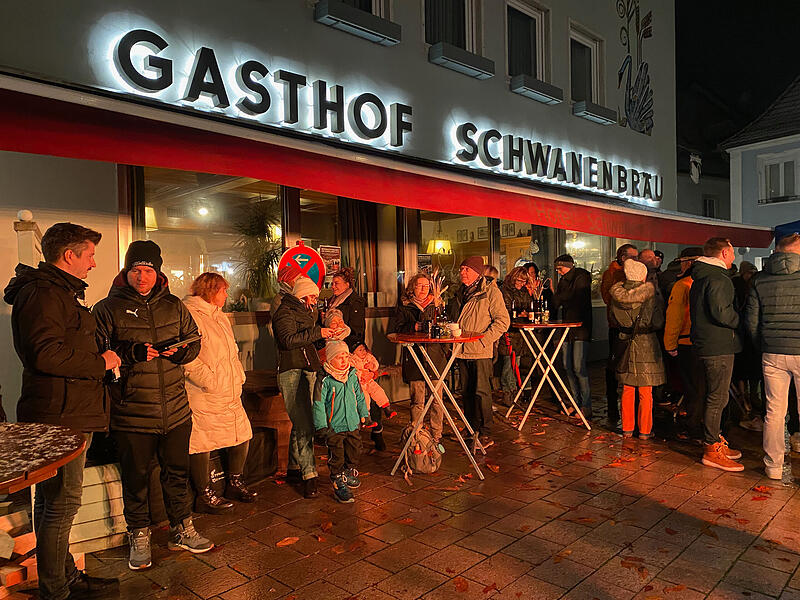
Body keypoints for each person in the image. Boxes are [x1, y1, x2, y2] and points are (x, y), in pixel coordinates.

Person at [3, 223, 120, 600]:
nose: (93, 262)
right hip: (61, 414)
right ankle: (57, 590)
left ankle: (63, 576)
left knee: (53, 499)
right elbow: (45, 353)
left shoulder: (57, 292)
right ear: (68, 255)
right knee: (62, 501)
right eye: (88, 254)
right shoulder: (44, 294)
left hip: (67, 408)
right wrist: (100, 361)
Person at [93, 240, 212, 571]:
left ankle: (182, 528)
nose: (141, 277)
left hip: (175, 409)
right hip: (132, 412)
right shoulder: (106, 308)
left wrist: (182, 351)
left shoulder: (174, 305)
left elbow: (194, 340)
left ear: (158, 273)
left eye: (147, 270)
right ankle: (140, 534)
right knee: (136, 478)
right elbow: (97, 356)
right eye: (135, 270)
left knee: (177, 473)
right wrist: (131, 353)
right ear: (126, 272)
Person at [182, 273, 256, 515]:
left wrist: (238, 376)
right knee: (202, 441)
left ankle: (234, 482)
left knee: (242, 432)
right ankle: (204, 493)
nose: (227, 295)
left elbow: (230, 352)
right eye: (223, 291)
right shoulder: (190, 314)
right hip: (205, 392)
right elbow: (187, 358)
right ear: (210, 291)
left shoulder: (220, 316)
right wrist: (211, 381)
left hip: (229, 389)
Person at [272, 277, 337, 498]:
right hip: (292, 371)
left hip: (309, 367)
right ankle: (309, 475)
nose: (315, 301)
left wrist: (327, 333)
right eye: (313, 296)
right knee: (304, 423)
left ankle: (293, 466)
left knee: (303, 419)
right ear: (302, 295)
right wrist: (319, 333)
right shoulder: (284, 312)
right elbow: (288, 341)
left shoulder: (305, 311)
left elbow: (307, 339)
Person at [744, 233, 800, 479]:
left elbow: (751, 320)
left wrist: (763, 344)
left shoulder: (760, 280)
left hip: (772, 351)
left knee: (774, 411)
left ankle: (773, 466)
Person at [689, 237, 743, 472]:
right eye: (732, 253)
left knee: (714, 395)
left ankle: (714, 440)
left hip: (705, 343)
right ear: (723, 253)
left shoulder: (701, 277)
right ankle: (712, 448)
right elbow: (722, 313)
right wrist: (739, 321)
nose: (734, 257)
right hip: (718, 345)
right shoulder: (718, 278)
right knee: (717, 397)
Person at [448, 256, 510, 449]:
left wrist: (485, 339)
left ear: (477, 272)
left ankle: (485, 432)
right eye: (461, 269)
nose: (462, 272)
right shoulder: (459, 292)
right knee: (466, 391)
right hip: (461, 348)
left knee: (481, 392)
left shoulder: (490, 292)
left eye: (466, 269)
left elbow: (503, 321)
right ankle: (469, 427)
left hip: (480, 350)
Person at [387, 273, 447, 445]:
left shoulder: (437, 305)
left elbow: (445, 327)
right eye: (420, 285)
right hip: (415, 358)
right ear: (412, 287)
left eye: (427, 285)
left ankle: (437, 435)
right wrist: (412, 326)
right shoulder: (405, 307)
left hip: (436, 357)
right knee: (417, 398)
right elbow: (397, 329)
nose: (423, 289)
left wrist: (445, 349)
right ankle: (417, 432)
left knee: (436, 399)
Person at [609, 259, 665, 439]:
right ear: (642, 275)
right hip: (646, 342)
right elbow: (658, 321)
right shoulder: (650, 294)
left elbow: (612, 317)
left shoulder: (616, 294)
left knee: (627, 388)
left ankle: (627, 428)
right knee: (645, 390)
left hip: (624, 341)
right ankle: (645, 431)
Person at [314, 340, 370, 503]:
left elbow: (359, 396)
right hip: (334, 426)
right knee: (336, 454)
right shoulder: (325, 380)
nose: (344, 361)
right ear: (329, 360)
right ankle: (338, 480)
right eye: (340, 358)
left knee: (354, 449)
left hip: (352, 423)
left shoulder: (352, 374)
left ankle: (348, 470)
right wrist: (321, 425)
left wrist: (364, 414)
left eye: (346, 356)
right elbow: (318, 403)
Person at [663, 247, 705, 439]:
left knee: (691, 387)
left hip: (686, 342)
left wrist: (669, 344)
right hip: (706, 343)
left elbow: (675, 317)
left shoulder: (682, 285)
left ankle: (693, 425)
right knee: (703, 386)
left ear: (688, 263)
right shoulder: (709, 281)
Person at [550, 254, 593, 418]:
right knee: (568, 366)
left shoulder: (581, 278)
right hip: (567, 328)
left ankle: (585, 405)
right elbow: (557, 301)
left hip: (580, 328)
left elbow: (572, 299)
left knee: (578, 367)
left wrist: (559, 295)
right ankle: (575, 402)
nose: (559, 272)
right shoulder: (565, 281)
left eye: (560, 269)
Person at [601, 244, 639, 423]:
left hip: (625, 327)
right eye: (634, 257)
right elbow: (609, 297)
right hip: (618, 327)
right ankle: (613, 405)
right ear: (623, 258)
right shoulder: (613, 274)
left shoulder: (618, 273)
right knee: (615, 364)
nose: (637, 261)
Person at [733, 261, 764, 431]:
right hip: (747, 339)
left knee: (746, 372)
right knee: (747, 372)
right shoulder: (743, 287)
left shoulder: (742, 287)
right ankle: (748, 402)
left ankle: (748, 401)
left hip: (744, 338)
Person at [351, 341, 396, 449]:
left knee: (378, 392)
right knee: (363, 399)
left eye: (363, 349)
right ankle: (355, 436)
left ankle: (384, 413)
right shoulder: (350, 357)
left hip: (368, 380)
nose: (363, 351)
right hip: (356, 382)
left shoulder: (367, 355)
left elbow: (375, 364)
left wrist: (372, 372)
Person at [499, 267, 532, 406]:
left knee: (518, 363)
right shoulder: (505, 291)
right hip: (510, 331)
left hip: (521, 332)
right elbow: (507, 311)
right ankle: (509, 392)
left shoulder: (524, 291)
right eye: (519, 280)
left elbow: (529, 308)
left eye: (523, 281)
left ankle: (517, 391)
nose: (521, 283)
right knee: (509, 363)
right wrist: (521, 314)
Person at [328, 267, 367, 351]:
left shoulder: (355, 302)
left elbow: (357, 331)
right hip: (334, 345)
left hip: (347, 347)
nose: (333, 286)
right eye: (332, 284)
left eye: (336, 283)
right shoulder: (331, 301)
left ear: (347, 284)